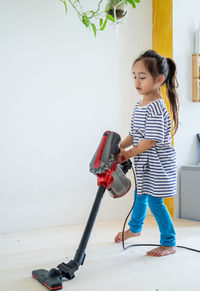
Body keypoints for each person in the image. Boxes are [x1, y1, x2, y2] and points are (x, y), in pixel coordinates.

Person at [114, 49, 179, 257]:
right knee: (139, 194)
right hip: (145, 162)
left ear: (159, 79)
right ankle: (135, 229)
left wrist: (126, 155)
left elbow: (149, 141)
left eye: (142, 77)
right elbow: (135, 134)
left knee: (155, 201)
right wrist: (119, 147)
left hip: (158, 163)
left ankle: (169, 242)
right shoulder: (140, 104)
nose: (137, 82)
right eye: (134, 77)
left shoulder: (156, 108)